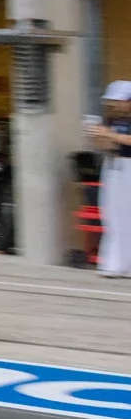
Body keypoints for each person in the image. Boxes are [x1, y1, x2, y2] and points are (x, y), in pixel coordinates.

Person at [86, 81, 131, 277]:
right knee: (113, 214)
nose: (116, 105)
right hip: (113, 165)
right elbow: (107, 144)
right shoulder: (111, 120)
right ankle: (114, 263)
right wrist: (97, 136)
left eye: (120, 101)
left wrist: (110, 135)